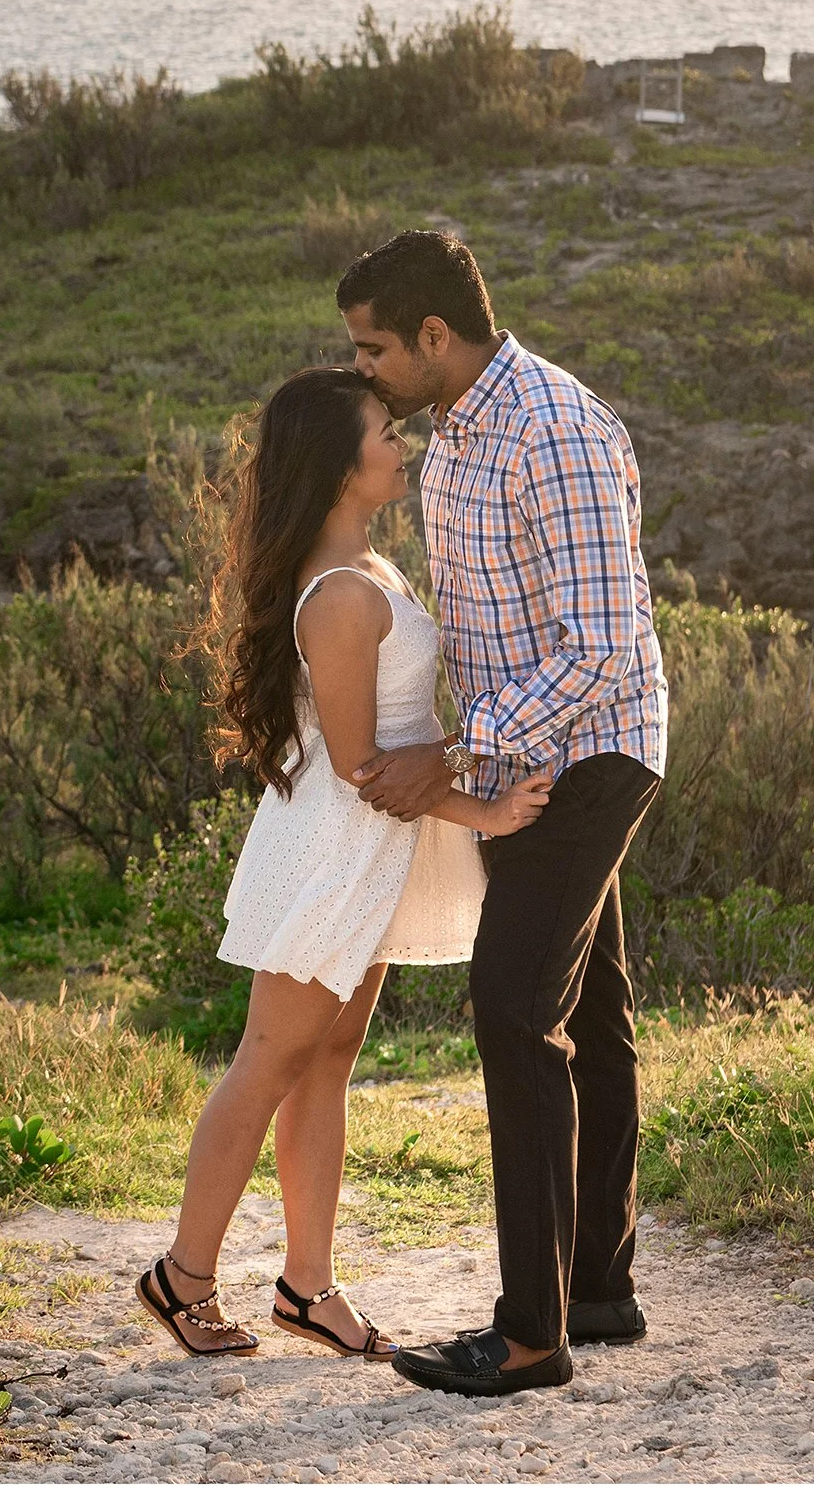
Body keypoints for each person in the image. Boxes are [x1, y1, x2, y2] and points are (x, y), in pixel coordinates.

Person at [136, 366, 551, 1362]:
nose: (398, 445)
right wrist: (483, 809)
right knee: (270, 1059)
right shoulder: (339, 598)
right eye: (382, 432)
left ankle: (306, 1287)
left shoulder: (374, 571)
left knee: (327, 1060)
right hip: (333, 851)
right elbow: (366, 768)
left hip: (369, 854)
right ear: (337, 462)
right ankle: (181, 1278)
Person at [336, 232, 668, 1398]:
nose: (364, 366)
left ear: (436, 337)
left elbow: (606, 646)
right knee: (593, 1006)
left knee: (515, 1010)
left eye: (374, 346)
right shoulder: (456, 432)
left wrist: (456, 758)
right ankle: (597, 1289)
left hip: (586, 753)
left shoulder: (552, 430)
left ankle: (530, 1334)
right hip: (536, 752)